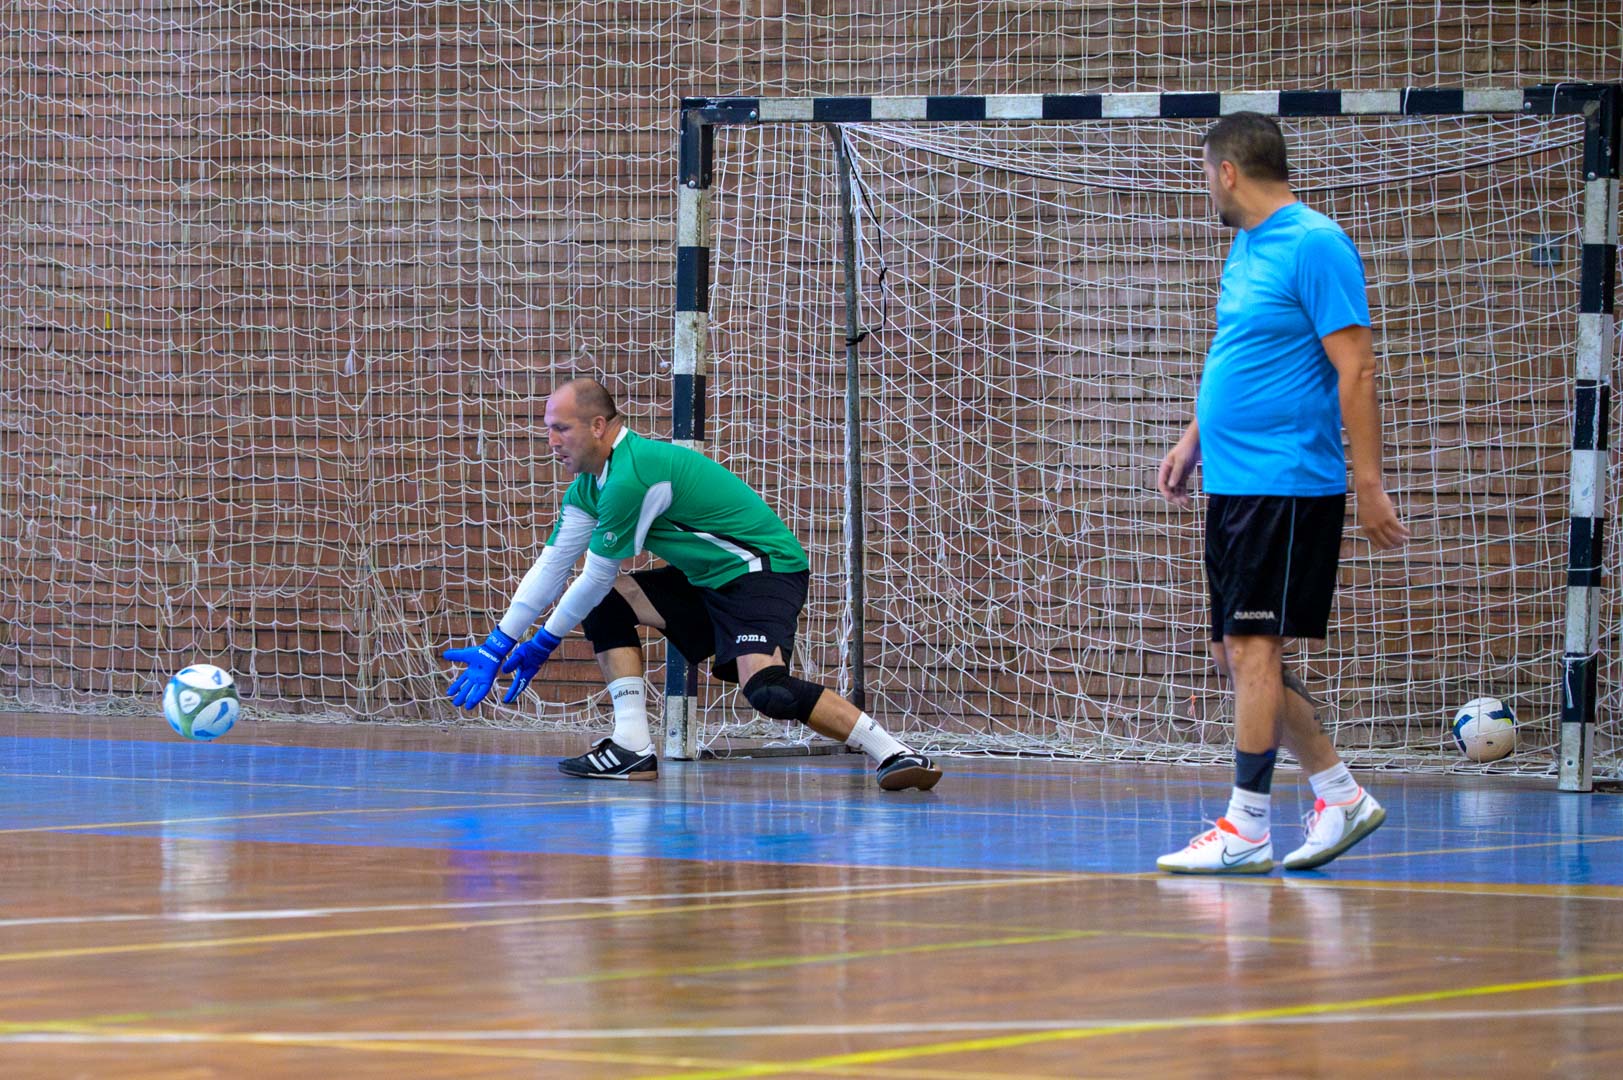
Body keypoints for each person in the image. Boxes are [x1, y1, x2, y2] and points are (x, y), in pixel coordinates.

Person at [443, 377, 942, 791]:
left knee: (767, 691)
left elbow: (595, 575)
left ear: (597, 426)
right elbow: (552, 566)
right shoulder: (589, 486)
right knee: (607, 605)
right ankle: (632, 746)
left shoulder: (632, 476)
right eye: (547, 429)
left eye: (560, 428)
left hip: (760, 571)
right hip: (705, 579)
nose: (551, 441)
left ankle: (896, 753)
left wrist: (542, 642)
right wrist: (498, 643)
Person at [1155, 113, 1410, 874]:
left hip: (1287, 483)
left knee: (1253, 649)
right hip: (1234, 482)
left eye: (1207, 174)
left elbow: (1356, 367)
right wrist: (1195, 438)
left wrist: (1368, 483)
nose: (1207, 188)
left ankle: (1246, 829)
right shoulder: (1244, 246)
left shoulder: (1314, 244)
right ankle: (1339, 794)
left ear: (1229, 172)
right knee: (1234, 656)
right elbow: (1241, 353)